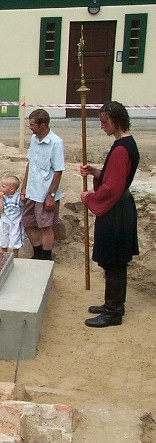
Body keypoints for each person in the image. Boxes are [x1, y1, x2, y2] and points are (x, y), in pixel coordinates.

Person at [80, 101, 140, 328]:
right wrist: (97, 172)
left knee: (113, 262)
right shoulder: (125, 144)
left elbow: (113, 187)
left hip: (116, 212)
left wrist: (88, 198)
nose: (102, 126)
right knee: (114, 262)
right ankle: (113, 304)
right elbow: (115, 177)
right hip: (121, 208)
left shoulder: (122, 148)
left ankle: (113, 312)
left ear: (116, 120)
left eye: (105, 122)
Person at [21, 108, 64, 261]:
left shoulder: (56, 143)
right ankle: (37, 253)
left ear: (43, 125)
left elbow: (58, 171)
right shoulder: (34, 140)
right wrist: (24, 188)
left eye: (32, 125)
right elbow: (30, 164)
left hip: (45, 193)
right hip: (32, 191)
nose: (30, 127)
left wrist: (51, 195)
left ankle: (46, 257)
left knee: (46, 226)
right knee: (27, 222)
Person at [0, 175, 23, 256]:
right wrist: (1, 199)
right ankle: (3, 254)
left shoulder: (18, 197)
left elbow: (23, 206)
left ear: (11, 189)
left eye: (3, 187)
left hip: (15, 223)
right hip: (5, 222)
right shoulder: (1, 198)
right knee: (4, 238)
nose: (1, 188)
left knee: (15, 239)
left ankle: (15, 255)